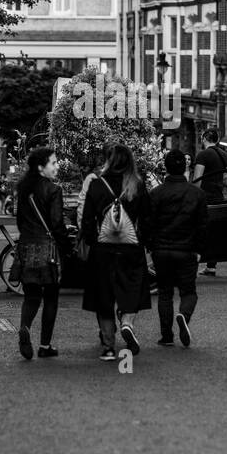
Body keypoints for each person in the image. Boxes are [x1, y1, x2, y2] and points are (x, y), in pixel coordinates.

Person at [80, 143, 152, 360]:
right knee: (132, 289)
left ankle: (109, 347)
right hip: (130, 249)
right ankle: (127, 323)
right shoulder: (136, 185)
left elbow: (87, 220)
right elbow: (148, 219)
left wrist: (93, 242)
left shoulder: (97, 185)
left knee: (104, 297)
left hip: (103, 250)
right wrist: (143, 243)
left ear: (109, 160)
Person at [15, 146, 72, 361]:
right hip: (47, 248)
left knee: (31, 296)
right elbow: (57, 224)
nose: (57, 166)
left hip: (27, 246)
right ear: (41, 168)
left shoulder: (23, 188)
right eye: (54, 163)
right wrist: (67, 248)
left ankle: (25, 327)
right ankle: (45, 345)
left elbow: (20, 221)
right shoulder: (53, 190)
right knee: (51, 297)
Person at [148, 148, 208, 348]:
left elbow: (148, 223)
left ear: (166, 167)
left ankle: (166, 336)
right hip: (187, 249)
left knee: (165, 292)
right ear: (185, 166)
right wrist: (200, 249)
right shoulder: (197, 194)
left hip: (161, 250)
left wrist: (150, 246)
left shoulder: (156, 194)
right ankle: (184, 315)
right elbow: (202, 225)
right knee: (188, 291)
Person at [192, 127, 227, 276]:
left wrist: (193, 196)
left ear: (204, 138)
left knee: (198, 229)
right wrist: (225, 179)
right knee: (214, 230)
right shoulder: (224, 154)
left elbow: (198, 178)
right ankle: (211, 265)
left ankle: (193, 263)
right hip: (218, 195)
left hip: (204, 197)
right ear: (217, 140)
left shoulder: (203, 155)